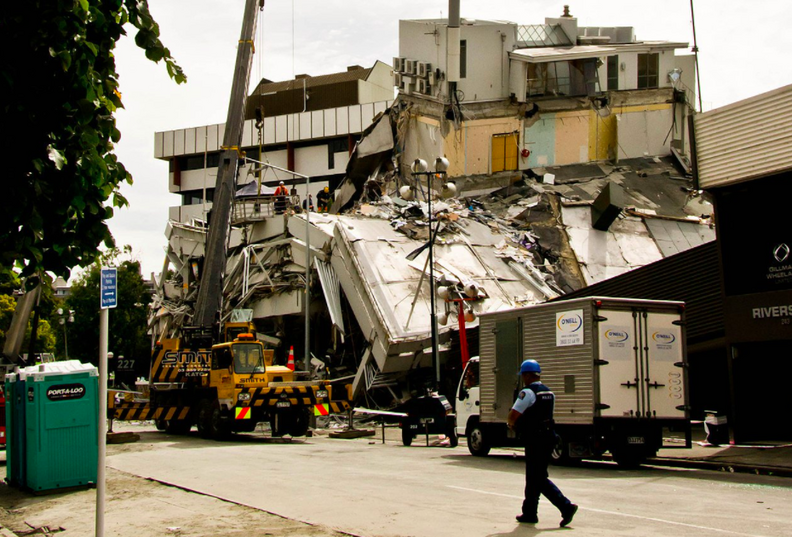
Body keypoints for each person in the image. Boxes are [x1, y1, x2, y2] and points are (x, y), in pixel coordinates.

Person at [507, 359, 578, 527]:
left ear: (527, 375)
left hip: (535, 439)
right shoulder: (549, 392)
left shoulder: (527, 393)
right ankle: (529, 512)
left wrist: (511, 424)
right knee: (533, 476)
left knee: (538, 478)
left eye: (523, 375)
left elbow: (514, 414)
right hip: (548, 437)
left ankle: (566, 506)